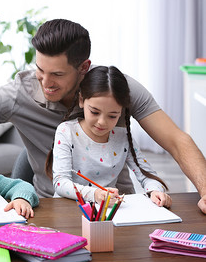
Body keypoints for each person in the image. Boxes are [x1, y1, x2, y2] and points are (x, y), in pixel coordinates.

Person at [0, 19, 206, 214]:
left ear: (83, 68)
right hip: (56, 209)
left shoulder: (113, 90)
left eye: (57, 75)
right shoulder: (17, 93)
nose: (45, 83)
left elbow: (177, 140)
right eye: (40, 70)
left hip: (118, 209)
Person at [46, 66, 172, 207]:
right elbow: (60, 183)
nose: (102, 122)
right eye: (94, 112)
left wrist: (155, 191)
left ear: (121, 111)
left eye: (112, 116)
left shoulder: (123, 137)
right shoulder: (66, 131)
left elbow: (147, 175)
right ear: (81, 100)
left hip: (106, 213)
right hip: (68, 211)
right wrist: (95, 194)